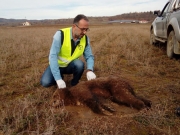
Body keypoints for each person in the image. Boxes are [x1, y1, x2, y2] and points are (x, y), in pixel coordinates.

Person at [40, 14, 96, 89]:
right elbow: (53, 56)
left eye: (86, 29)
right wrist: (58, 79)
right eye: (82, 29)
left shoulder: (85, 39)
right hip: (58, 65)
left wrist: (90, 70)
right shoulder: (60, 35)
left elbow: (89, 56)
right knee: (45, 82)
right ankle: (59, 76)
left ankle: (75, 84)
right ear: (74, 26)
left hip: (70, 65)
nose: (85, 32)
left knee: (79, 65)